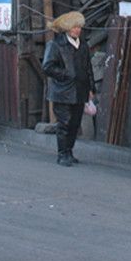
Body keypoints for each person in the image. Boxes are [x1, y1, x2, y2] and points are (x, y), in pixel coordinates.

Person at [42, 11, 94, 167]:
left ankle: (69, 151)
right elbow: (47, 67)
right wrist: (65, 74)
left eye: (79, 27)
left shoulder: (83, 45)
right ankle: (62, 154)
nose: (77, 30)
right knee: (64, 123)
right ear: (67, 28)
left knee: (75, 124)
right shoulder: (56, 45)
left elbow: (88, 69)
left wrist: (91, 88)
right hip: (62, 91)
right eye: (74, 27)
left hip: (80, 90)